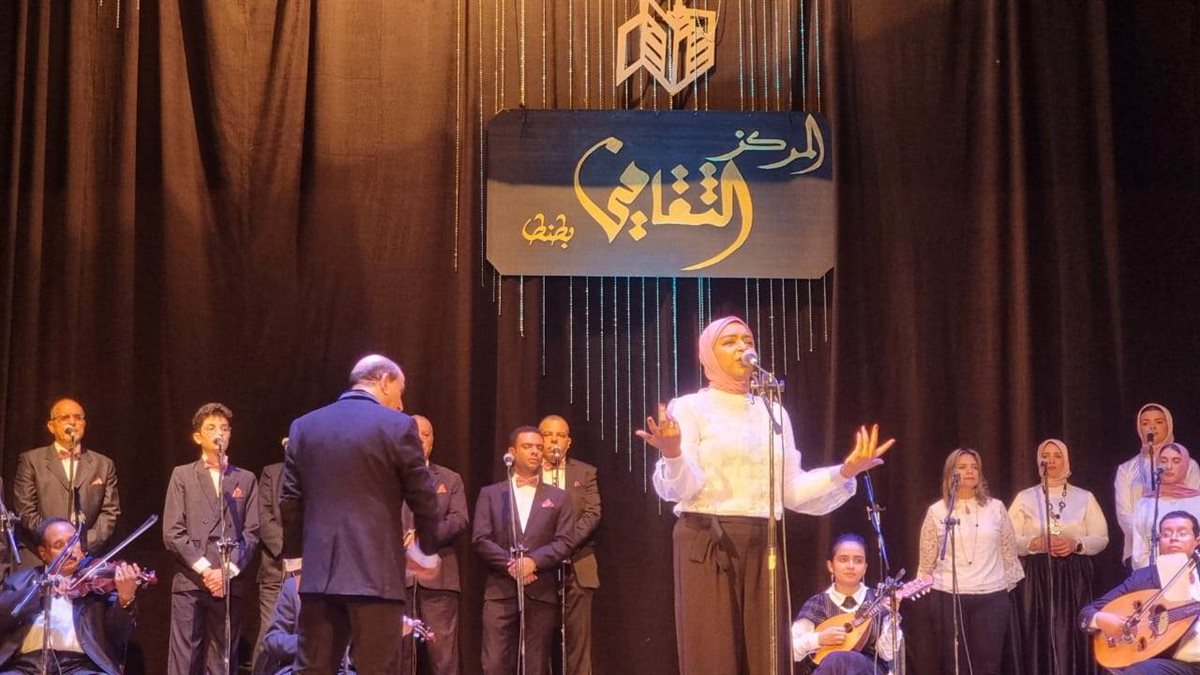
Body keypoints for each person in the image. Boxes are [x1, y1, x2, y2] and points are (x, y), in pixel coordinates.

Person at [635, 316, 894, 675]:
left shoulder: (773, 412)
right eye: (729, 341)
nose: (742, 347)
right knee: (712, 654)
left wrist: (844, 472)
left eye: (747, 339)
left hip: (762, 539)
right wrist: (673, 453)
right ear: (707, 354)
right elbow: (682, 488)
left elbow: (791, 490)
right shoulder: (691, 407)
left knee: (766, 654)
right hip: (706, 539)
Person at [280, 354, 441, 674]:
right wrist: (426, 551)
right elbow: (424, 497)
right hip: (376, 577)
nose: (400, 404)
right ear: (384, 381)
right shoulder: (398, 426)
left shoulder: (304, 426)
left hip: (319, 579)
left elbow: (290, 501)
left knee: (312, 670)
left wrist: (297, 565)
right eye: (400, 391)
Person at [163, 402, 261, 675]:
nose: (220, 433)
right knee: (184, 658)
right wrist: (207, 570)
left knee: (222, 658)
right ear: (198, 436)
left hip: (229, 581)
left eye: (225, 428)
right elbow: (173, 532)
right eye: (212, 428)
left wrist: (225, 572)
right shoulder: (183, 475)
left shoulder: (245, 479)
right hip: (191, 579)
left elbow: (252, 532)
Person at [472, 426, 575, 675]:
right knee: (494, 663)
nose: (535, 452)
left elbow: (565, 541)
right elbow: (481, 538)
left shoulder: (559, 497)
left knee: (535, 665)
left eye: (539, 447)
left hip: (540, 590)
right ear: (512, 452)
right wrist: (512, 565)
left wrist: (533, 562)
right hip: (500, 592)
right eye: (528, 447)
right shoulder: (491, 494)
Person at [911, 448, 1024, 675]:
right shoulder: (937, 511)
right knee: (955, 666)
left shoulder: (996, 508)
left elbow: (1009, 554)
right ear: (950, 474)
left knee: (989, 667)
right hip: (948, 597)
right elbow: (927, 563)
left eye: (974, 467)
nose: (970, 471)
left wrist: (996, 587)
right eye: (962, 467)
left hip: (991, 597)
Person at [1008, 438, 1109, 675]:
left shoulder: (1084, 497)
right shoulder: (1025, 497)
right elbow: (1008, 539)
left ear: (1066, 460)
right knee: (1038, 633)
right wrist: (1034, 543)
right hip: (1035, 578)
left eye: (1057, 456)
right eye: (1046, 456)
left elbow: (1101, 538)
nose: (1051, 461)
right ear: (1038, 462)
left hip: (1074, 576)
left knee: (1073, 632)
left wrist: (1076, 544)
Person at [0, 518, 141, 674]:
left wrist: (125, 599)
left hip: (80, 665)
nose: (69, 551)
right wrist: (41, 591)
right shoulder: (21, 581)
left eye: (73, 542)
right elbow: (3, 616)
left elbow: (118, 635)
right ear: (43, 553)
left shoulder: (97, 583)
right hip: (25, 665)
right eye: (59, 545)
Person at [1080, 510, 1200, 674]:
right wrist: (1102, 619)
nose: (1173, 538)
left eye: (1182, 533)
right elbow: (1086, 614)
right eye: (1166, 534)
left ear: (1197, 541)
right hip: (1175, 664)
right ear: (1159, 542)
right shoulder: (1144, 578)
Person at [401, 415, 469, 675]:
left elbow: (459, 520)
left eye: (426, 434)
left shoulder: (450, 479)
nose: (420, 439)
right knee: (400, 656)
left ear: (432, 441)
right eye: (414, 433)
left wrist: (423, 537)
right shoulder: (388, 477)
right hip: (397, 580)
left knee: (444, 658)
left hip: (439, 581)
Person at [13, 398, 121, 556]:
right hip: (39, 553)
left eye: (78, 417)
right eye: (64, 418)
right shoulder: (31, 461)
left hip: (84, 555)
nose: (72, 422)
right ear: (51, 426)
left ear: (84, 424)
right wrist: (56, 543)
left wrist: (83, 544)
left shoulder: (104, 464)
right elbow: (25, 510)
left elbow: (110, 513)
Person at [538, 414, 600, 675]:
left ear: (569, 442)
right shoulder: (527, 474)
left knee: (577, 641)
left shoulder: (585, 472)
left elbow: (593, 513)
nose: (554, 440)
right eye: (548, 435)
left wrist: (564, 545)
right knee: (539, 639)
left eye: (560, 435)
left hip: (578, 564)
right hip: (539, 567)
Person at [791, 533, 903, 675]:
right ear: (830, 566)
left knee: (838, 659)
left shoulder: (878, 600)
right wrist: (819, 639)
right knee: (835, 660)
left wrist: (893, 616)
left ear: (865, 568)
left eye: (858, 560)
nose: (851, 566)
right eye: (843, 559)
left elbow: (887, 654)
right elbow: (791, 651)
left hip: (870, 671)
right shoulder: (817, 604)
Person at [1115, 403, 1200, 567]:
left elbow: (1193, 507)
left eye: (1159, 422)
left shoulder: (1189, 465)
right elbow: (1124, 514)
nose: (1152, 427)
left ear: (1169, 425)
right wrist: (1147, 538)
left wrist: (1171, 539)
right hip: (1141, 551)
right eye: (1145, 423)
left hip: (1185, 552)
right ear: (1139, 428)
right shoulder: (1126, 469)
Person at [1130, 443, 1200, 569]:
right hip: (1154, 574)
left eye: (1176, 461)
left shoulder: (1197, 501)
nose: (1168, 466)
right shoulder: (1145, 504)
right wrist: (1157, 573)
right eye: (1163, 461)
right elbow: (1139, 552)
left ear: (1185, 465)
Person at [252, 440, 288, 673]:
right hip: (276, 570)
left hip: (313, 572)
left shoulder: (320, 475)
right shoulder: (272, 473)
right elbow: (262, 517)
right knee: (269, 633)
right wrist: (291, 550)